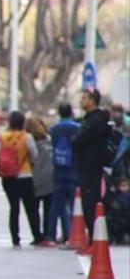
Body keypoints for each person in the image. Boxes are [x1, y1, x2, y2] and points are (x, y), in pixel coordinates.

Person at [71, 89, 111, 243]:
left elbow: (80, 140)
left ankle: (94, 239)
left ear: (92, 101)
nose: (81, 101)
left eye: (84, 98)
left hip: (91, 165)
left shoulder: (95, 121)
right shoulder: (90, 120)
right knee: (88, 201)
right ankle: (92, 239)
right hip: (87, 165)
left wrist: (75, 140)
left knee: (90, 201)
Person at [0, 111, 41, 246]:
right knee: (31, 208)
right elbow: (35, 154)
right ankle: (36, 234)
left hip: (8, 177)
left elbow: (0, 154)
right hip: (25, 175)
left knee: (14, 208)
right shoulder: (26, 137)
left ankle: (15, 238)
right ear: (23, 122)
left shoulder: (3, 137)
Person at [48, 103, 80, 244]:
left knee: (56, 205)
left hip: (58, 169)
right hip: (73, 169)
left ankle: (51, 235)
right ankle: (72, 233)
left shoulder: (54, 129)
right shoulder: (77, 128)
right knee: (75, 205)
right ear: (71, 112)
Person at [26, 116, 55, 246]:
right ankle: (48, 234)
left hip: (34, 177)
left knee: (33, 209)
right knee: (48, 208)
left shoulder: (28, 140)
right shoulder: (49, 140)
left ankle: (37, 235)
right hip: (50, 176)